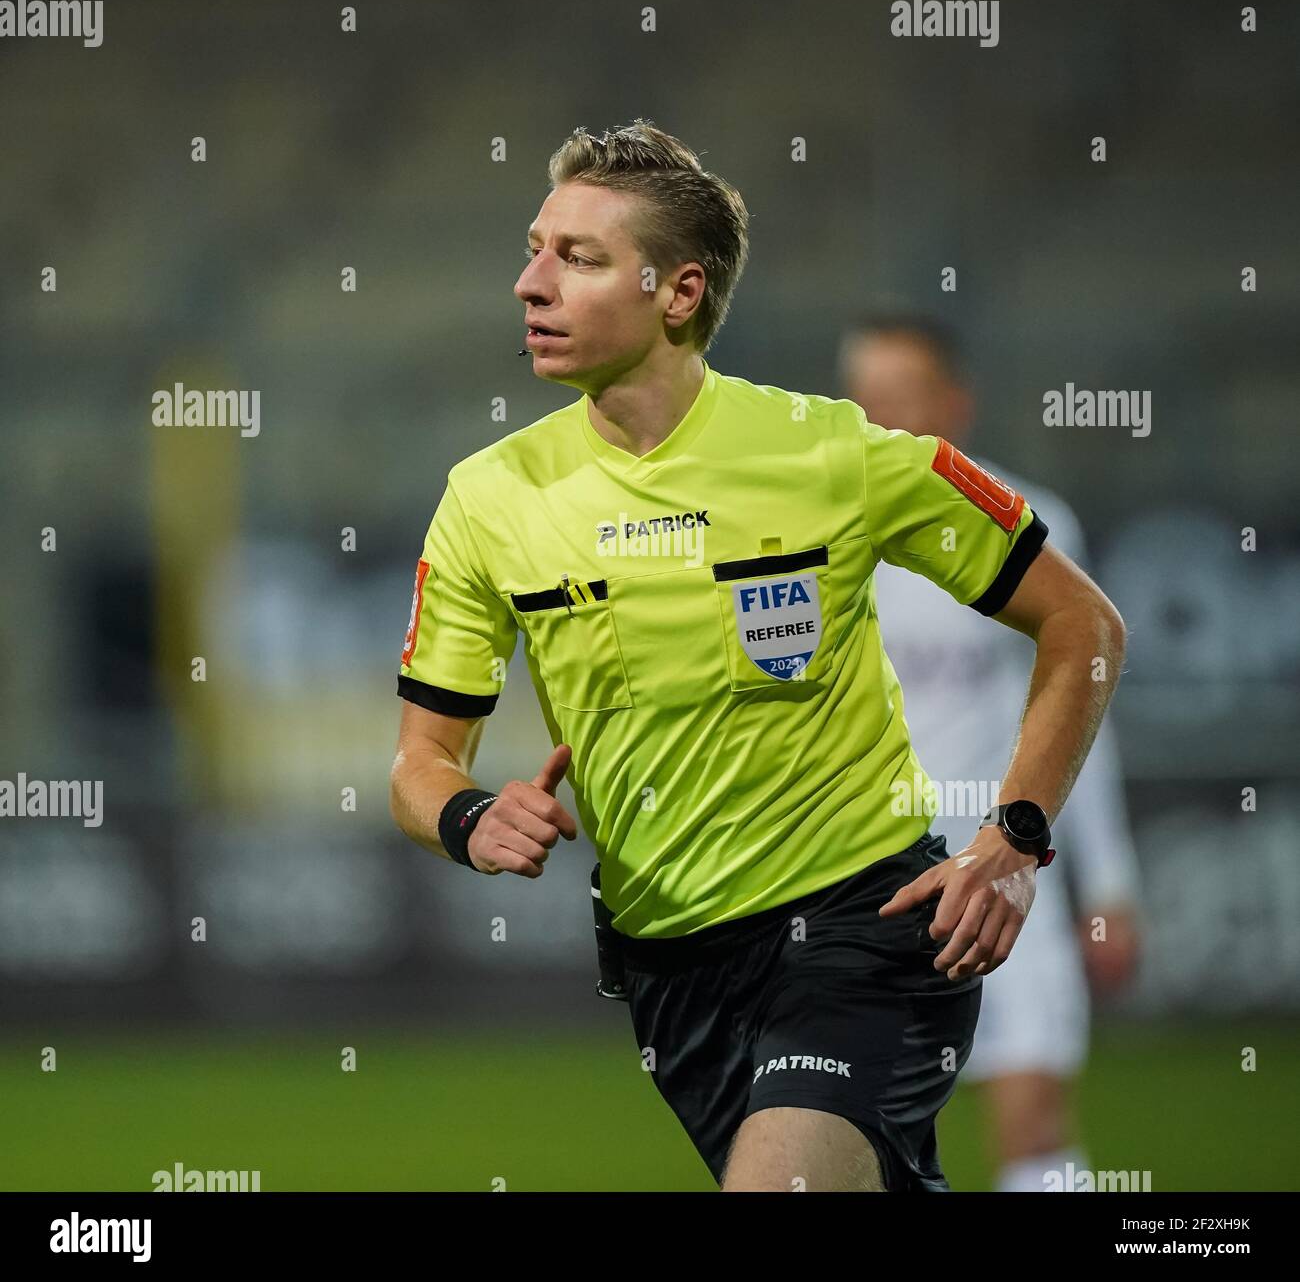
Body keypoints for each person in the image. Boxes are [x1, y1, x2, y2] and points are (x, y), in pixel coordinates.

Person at [388, 119, 1127, 1192]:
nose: (529, 283)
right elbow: (418, 761)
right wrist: (467, 815)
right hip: (672, 971)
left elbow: (1084, 625)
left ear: (678, 292)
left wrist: (1013, 836)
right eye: (535, 247)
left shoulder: (833, 454)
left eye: (577, 258)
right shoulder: (487, 500)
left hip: (863, 924)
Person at [839, 313, 1141, 1191]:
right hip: (863, 882)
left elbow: (1085, 714)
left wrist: (1111, 885)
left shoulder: (1032, 530)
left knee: (1036, 1121)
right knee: (848, 1144)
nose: (881, 413)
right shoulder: (816, 541)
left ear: (955, 402)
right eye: (865, 394)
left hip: (1003, 871)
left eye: (902, 394)